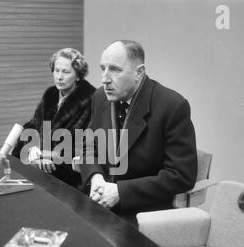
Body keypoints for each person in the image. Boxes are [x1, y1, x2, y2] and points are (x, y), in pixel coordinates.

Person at [80, 40, 197, 224]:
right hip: (99, 202)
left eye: (115, 70)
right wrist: (95, 177)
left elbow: (182, 176)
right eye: (103, 68)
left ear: (139, 72)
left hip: (144, 216)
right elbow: (89, 144)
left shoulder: (172, 106)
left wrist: (121, 192)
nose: (104, 78)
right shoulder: (100, 97)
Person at [13, 48, 95, 187]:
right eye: (56, 70)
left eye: (66, 72)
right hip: (41, 171)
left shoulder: (91, 99)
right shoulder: (50, 94)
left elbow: (85, 147)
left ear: (78, 75)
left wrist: (48, 156)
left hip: (70, 179)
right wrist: (32, 149)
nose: (59, 76)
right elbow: (32, 126)